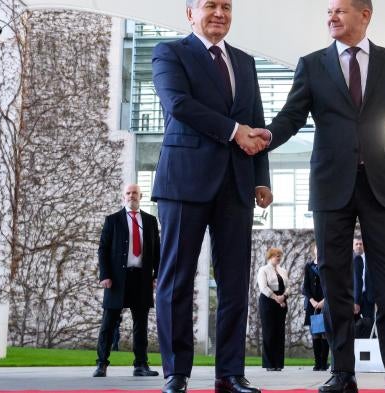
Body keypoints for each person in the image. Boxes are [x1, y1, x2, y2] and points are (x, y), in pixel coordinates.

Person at [264, 1, 385, 391]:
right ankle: (342, 372)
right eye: (329, 11)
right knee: (335, 281)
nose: (331, 16)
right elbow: (292, 116)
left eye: (341, 10)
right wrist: (266, 137)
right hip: (331, 185)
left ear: (365, 15)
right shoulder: (311, 64)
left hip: (380, 183)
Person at [150, 1, 273, 392]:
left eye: (226, 6)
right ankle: (176, 373)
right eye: (209, 5)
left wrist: (261, 178)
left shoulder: (245, 62)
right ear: (190, 13)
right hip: (184, 182)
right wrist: (234, 130)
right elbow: (179, 105)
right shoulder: (169, 53)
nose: (219, 12)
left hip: (236, 184)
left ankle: (230, 374)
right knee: (176, 279)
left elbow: (256, 119)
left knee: (235, 282)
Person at [93, 184, 160, 378]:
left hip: (142, 279)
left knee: (141, 324)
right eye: (128, 193)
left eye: (135, 193)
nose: (132, 196)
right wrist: (105, 275)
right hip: (117, 280)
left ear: (141, 196)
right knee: (108, 323)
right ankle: (101, 364)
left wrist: (156, 276)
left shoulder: (149, 221)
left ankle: (141, 365)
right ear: (124, 197)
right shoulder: (112, 220)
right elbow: (103, 249)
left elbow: (157, 251)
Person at [256, 248, 290, 372]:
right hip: (268, 301)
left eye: (280, 256)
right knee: (269, 332)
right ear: (270, 256)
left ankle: (278, 363)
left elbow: (288, 287)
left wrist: (284, 297)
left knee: (280, 333)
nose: (279, 258)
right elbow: (263, 287)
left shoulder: (283, 271)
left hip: (282, 302)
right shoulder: (263, 270)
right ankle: (269, 364)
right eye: (277, 256)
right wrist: (277, 298)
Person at [303, 243, 330, 371]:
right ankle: (317, 363)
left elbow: (331, 285)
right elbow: (305, 287)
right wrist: (313, 301)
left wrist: (324, 301)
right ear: (313, 250)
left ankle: (324, 363)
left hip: (326, 303)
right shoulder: (308, 266)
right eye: (316, 248)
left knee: (325, 333)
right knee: (315, 334)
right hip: (312, 305)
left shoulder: (328, 266)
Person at [352, 236, 374, 338]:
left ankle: (367, 348)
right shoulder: (349, 260)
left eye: (361, 244)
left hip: (367, 297)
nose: (359, 246)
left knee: (368, 324)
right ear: (353, 246)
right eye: (356, 244)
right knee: (353, 325)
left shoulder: (371, 260)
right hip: (352, 298)